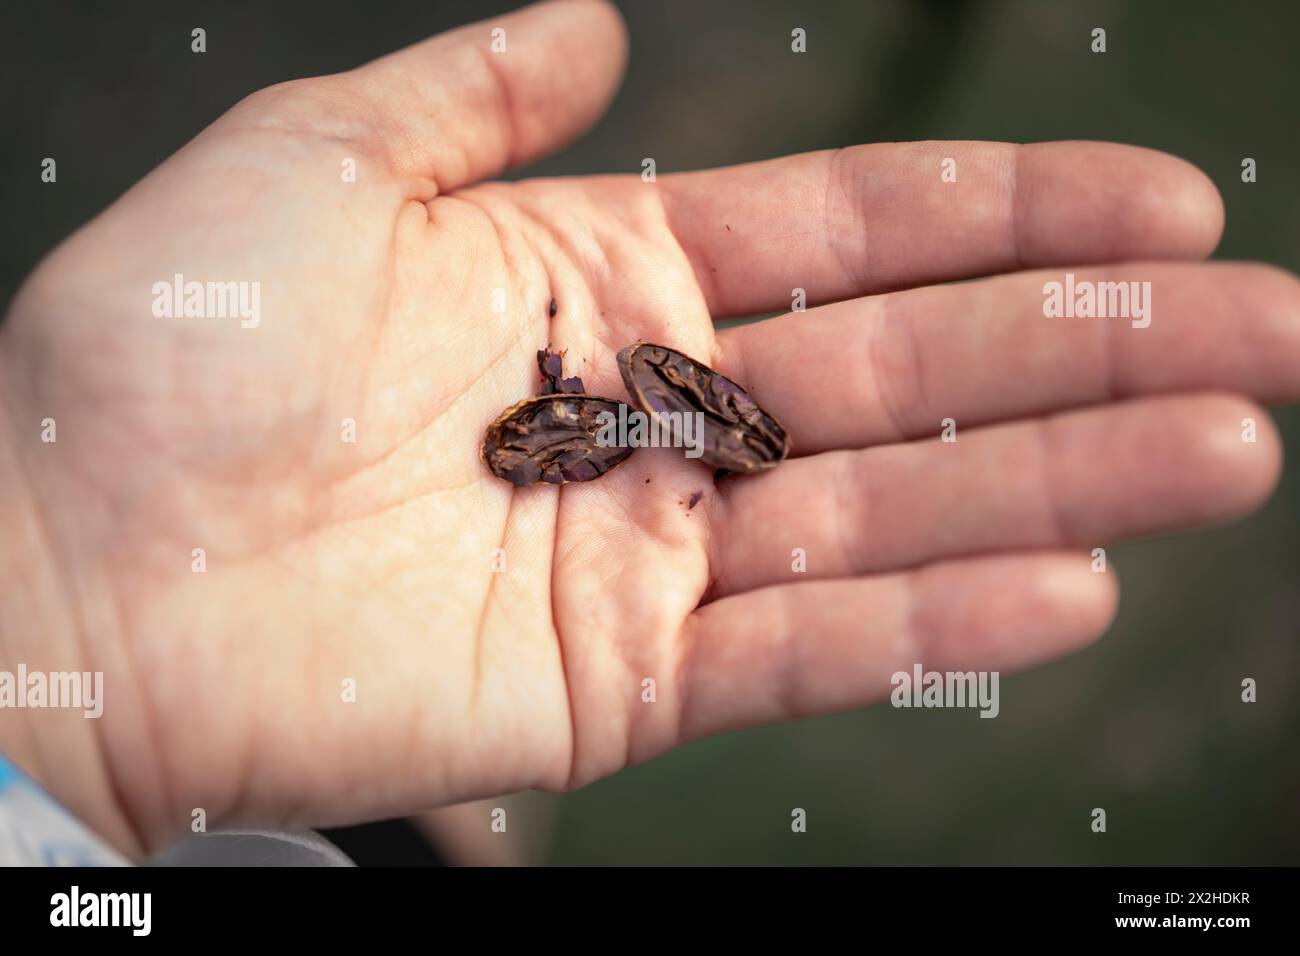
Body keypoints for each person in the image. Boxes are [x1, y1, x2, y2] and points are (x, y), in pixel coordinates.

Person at [1, 0, 1297, 862]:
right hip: (135, 788)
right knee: (404, 818)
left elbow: (588, 435)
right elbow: (571, 439)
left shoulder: (624, 435)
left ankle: (420, 819)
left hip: (100, 785)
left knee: (367, 804)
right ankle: (436, 825)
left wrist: (75, 643)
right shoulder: (612, 438)